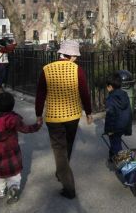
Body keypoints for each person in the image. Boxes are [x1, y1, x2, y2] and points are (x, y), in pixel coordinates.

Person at [35, 39, 93, 199]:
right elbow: (85, 92)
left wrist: (38, 114)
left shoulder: (46, 69)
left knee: (59, 150)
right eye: (76, 55)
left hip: (53, 117)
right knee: (67, 145)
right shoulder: (77, 70)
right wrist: (88, 112)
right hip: (73, 115)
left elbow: (40, 94)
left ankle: (62, 173)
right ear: (72, 55)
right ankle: (68, 185)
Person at [0, 92, 41, 204]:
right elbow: (26, 129)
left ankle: (0, 191)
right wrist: (37, 125)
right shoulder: (14, 119)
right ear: (12, 105)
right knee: (14, 174)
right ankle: (13, 188)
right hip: (12, 152)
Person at [104, 72, 132, 159]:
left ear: (110, 86)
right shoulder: (124, 95)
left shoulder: (111, 98)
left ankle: (123, 163)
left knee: (116, 144)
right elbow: (128, 110)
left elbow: (110, 115)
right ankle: (112, 157)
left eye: (107, 86)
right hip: (124, 124)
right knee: (116, 140)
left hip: (115, 126)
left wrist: (109, 129)